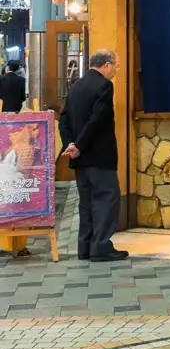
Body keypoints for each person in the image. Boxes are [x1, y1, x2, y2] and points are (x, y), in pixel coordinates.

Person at [59, 50, 128, 263]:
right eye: (115, 65)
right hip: (99, 156)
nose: (116, 70)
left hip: (80, 159)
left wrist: (70, 144)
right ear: (106, 64)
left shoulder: (76, 85)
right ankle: (101, 247)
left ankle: (85, 247)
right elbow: (97, 120)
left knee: (86, 202)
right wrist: (78, 145)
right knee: (107, 199)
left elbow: (64, 118)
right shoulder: (104, 86)